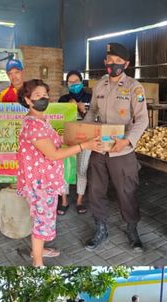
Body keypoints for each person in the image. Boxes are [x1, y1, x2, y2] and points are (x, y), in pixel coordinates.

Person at [17, 79, 102, 265]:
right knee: (41, 220)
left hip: (44, 180)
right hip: (40, 183)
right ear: (28, 100)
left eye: (45, 95)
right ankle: (37, 261)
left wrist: (76, 136)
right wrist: (84, 145)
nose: (43, 99)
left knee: (42, 217)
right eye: (38, 96)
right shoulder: (33, 125)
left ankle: (39, 249)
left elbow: (54, 142)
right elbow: (54, 154)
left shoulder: (41, 120)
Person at [84, 42, 149, 252]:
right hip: (99, 146)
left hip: (122, 149)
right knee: (95, 189)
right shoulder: (99, 85)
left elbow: (142, 119)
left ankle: (132, 228)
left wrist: (128, 140)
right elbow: (92, 110)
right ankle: (101, 228)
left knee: (126, 190)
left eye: (118, 61)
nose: (113, 64)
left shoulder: (134, 87)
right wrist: (85, 129)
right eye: (110, 61)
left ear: (126, 64)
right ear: (105, 62)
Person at [58, 70, 93, 214]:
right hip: (67, 138)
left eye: (76, 81)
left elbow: (94, 120)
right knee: (64, 168)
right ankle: (64, 200)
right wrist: (69, 107)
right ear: (67, 84)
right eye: (70, 82)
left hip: (86, 138)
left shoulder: (90, 98)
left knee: (82, 168)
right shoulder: (63, 99)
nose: (74, 84)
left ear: (81, 82)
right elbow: (59, 119)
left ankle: (79, 200)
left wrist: (82, 110)